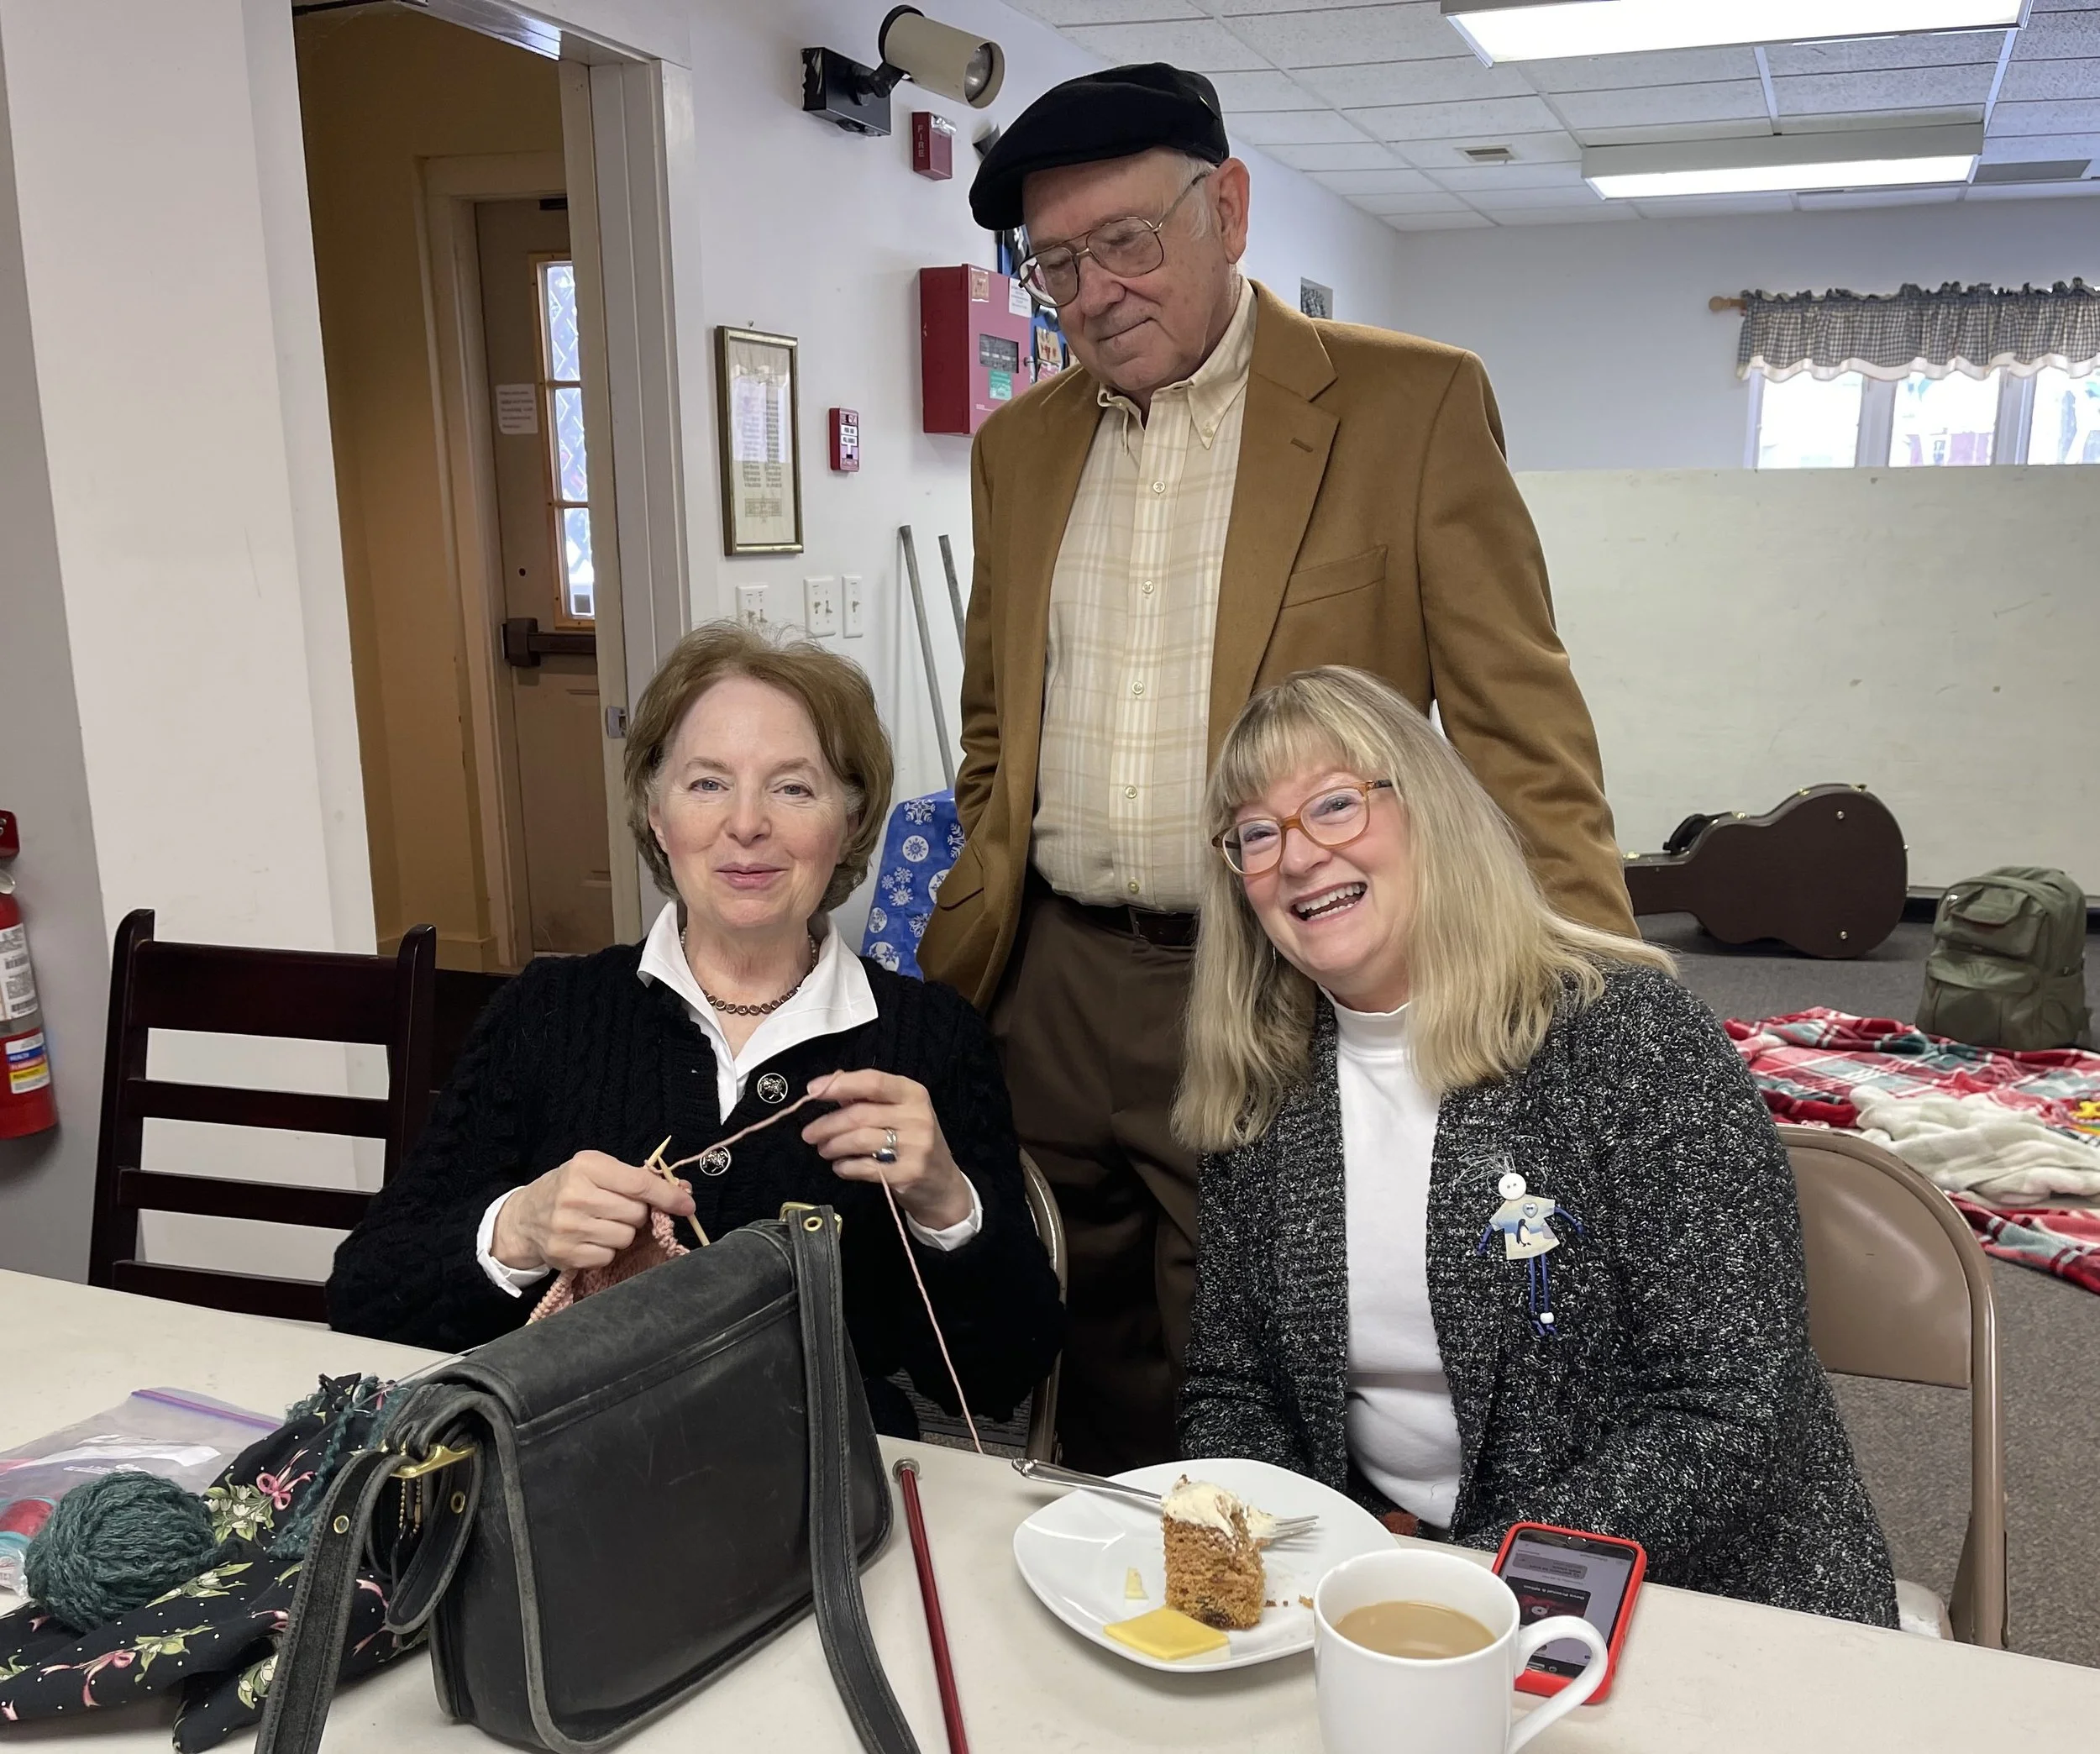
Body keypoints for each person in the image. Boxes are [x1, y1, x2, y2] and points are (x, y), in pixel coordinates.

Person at [917, 61, 1634, 1471]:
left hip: (1278, 974)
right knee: (1080, 1331)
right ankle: (1120, 1599)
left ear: (1226, 208)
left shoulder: (1407, 409)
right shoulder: (1019, 448)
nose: (1095, 290)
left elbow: (1523, 739)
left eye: (1127, 240)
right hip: (1050, 973)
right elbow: (994, 730)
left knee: (1271, 1338)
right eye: (1055, 264)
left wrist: (1600, 1038)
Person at [1174, 665, 1898, 1624]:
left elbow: (1729, 1406)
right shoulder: (1262, 1081)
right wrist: (1278, 1565)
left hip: (1699, 1590)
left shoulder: (1630, 1036)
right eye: (1255, 835)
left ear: (1429, 810)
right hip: (1394, 1576)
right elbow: (1234, 1387)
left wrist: (1483, 1572)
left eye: (1335, 806)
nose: (1296, 857)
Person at [329, 623, 1063, 1439]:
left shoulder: (930, 1041)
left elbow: (1003, 1375)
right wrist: (519, 1230)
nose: (746, 825)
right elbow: (364, 1295)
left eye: (793, 788)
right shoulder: (549, 1011)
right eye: (708, 784)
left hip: (812, 1502)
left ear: (851, 821)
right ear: (654, 812)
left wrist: (943, 1202)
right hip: (566, 1482)